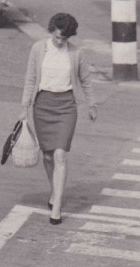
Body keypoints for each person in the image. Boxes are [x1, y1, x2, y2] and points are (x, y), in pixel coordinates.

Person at [20, 12, 96, 224]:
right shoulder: (38, 49)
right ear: (51, 31)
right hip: (42, 105)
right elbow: (30, 78)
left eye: (64, 38)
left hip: (66, 107)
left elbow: (86, 81)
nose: (60, 41)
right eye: (57, 37)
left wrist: (92, 104)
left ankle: (57, 207)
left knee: (60, 154)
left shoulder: (76, 53)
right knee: (47, 156)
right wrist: (24, 107)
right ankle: (55, 191)